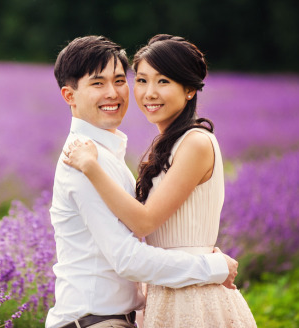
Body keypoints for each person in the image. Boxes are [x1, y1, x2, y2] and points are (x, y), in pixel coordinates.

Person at [47, 35, 240, 328]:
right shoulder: (83, 159)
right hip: (95, 320)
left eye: (120, 80)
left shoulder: (108, 156)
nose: (113, 93)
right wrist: (211, 266)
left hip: (135, 311)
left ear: (189, 89)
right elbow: (128, 256)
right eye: (98, 83)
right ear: (69, 96)